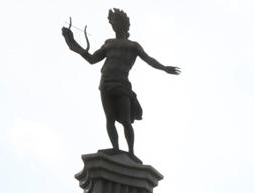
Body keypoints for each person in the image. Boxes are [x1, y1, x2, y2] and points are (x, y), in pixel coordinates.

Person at [61, 8, 180, 161]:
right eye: (112, 22)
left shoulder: (133, 46)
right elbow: (91, 59)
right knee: (109, 118)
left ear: (124, 24)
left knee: (125, 120)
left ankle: (130, 152)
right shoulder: (108, 43)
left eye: (115, 21)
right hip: (105, 82)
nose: (113, 24)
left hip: (122, 83)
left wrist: (164, 68)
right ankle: (116, 148)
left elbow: (149, 59)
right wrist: (72, 42)